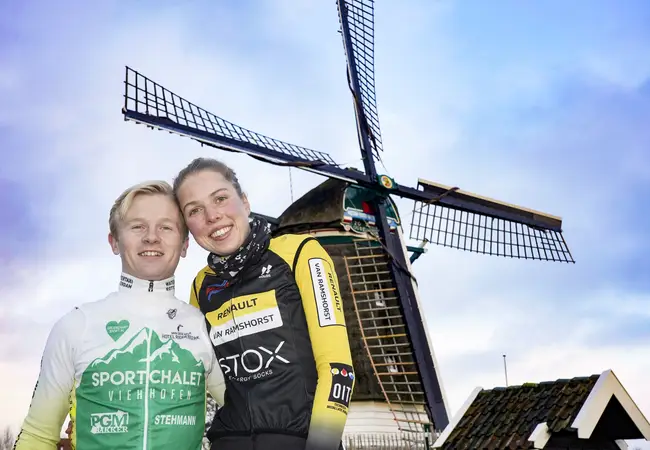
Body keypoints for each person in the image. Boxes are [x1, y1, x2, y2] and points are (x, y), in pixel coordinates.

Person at [14, 180, 226, 450]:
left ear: (184, 244)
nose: (151, 237)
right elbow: (37, 436)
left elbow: (247, 417)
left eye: (166, 227)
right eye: (138, 226)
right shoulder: (76, 325)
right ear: (114, 242)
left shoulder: (204, 327)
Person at [173, 157, 355, 450]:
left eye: (220, 198)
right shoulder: (200, 285)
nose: (212, 216)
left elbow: (338, 369)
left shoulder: (300, 253)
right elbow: (208, 380)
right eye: (195, 210)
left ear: (245, 202)